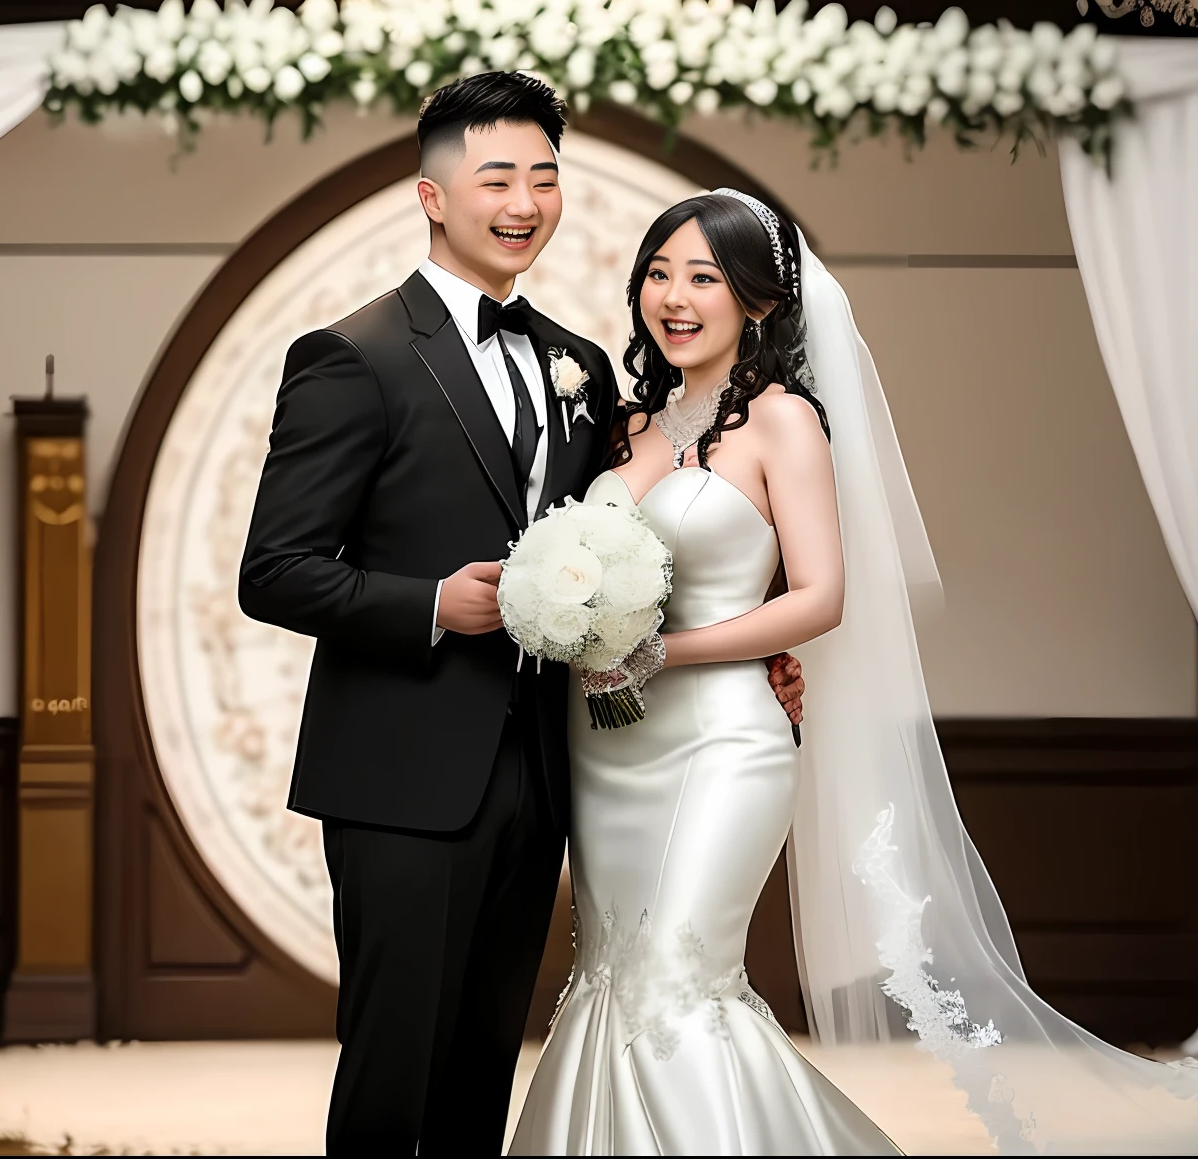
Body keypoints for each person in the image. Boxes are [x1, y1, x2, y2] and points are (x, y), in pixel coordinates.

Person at [512, 189, 1198, 1155]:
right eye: (658, 275)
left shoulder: (785, 422)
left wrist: (673, 651)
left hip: (721, 740)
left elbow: (820, 597)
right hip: (613, 747)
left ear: (756, 301)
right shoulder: (623, 428)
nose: (673, 297)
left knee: (678, 979)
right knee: (613, 976)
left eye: (702, 277)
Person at [237, 75, 806, 1154]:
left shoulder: (581, 369)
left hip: (548, 773)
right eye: (495, 176)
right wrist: (432, 606)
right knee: (391, 1067)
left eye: (543, 177)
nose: (523, 200)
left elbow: (641, 541)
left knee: (479, 1072)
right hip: (397, 775)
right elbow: (273, 571)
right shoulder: (347, 357)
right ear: (430, 195)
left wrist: (761, 634)